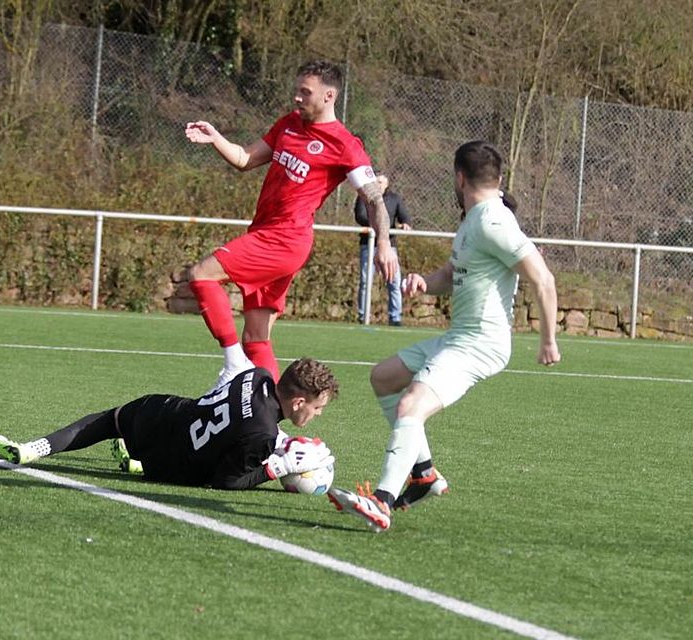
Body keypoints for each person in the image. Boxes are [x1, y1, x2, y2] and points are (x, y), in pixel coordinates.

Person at [327, 141, 561, 532]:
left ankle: (382, 500)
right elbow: (453, 275)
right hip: (460, 337)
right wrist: (424, 282)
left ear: (459, 177)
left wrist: (548, 340)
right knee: (384, 378)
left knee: (410, 407)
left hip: (480, 344)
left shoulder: (494, 222)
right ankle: (424, 477)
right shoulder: (474, 220)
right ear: (497, 179)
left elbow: (543, 278)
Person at [183, 59, 398, 391]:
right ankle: (272, 422)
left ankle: (233, 363)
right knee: (257, 336)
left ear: (329, 96)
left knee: (201, 274)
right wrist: (216, 138)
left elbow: (373, 198)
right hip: (265, 232)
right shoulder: (289, 124)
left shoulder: (344, 143)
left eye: (305, 91)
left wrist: (383, 243)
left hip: (286, 239)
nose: (297, 97)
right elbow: (244, 158)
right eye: (297, 90)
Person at [0, 358, 338, 490]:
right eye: (318, 407)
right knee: (210, 463)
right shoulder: (261, 436)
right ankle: (137, 462)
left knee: (106, 421)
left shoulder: (259, 375)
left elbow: (244, 417)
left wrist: (278, 438)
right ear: (298, 402)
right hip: (169, 466)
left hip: (162, 413)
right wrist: (278, 466)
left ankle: (33, 448)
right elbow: (226, 481)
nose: (318, 414)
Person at [354, 173, 412, 325]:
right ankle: (362, 315)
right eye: (376, 182)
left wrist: (405, 223)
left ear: (387, 184)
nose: (378, 185)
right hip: (368, 245)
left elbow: (404, 216)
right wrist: (380, 222)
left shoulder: (395, 199)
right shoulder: (363, 196)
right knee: (365, 281)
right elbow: (360, 216)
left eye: (381, 182)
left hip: (389, 247)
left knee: (394, 281)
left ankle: (395, 318)